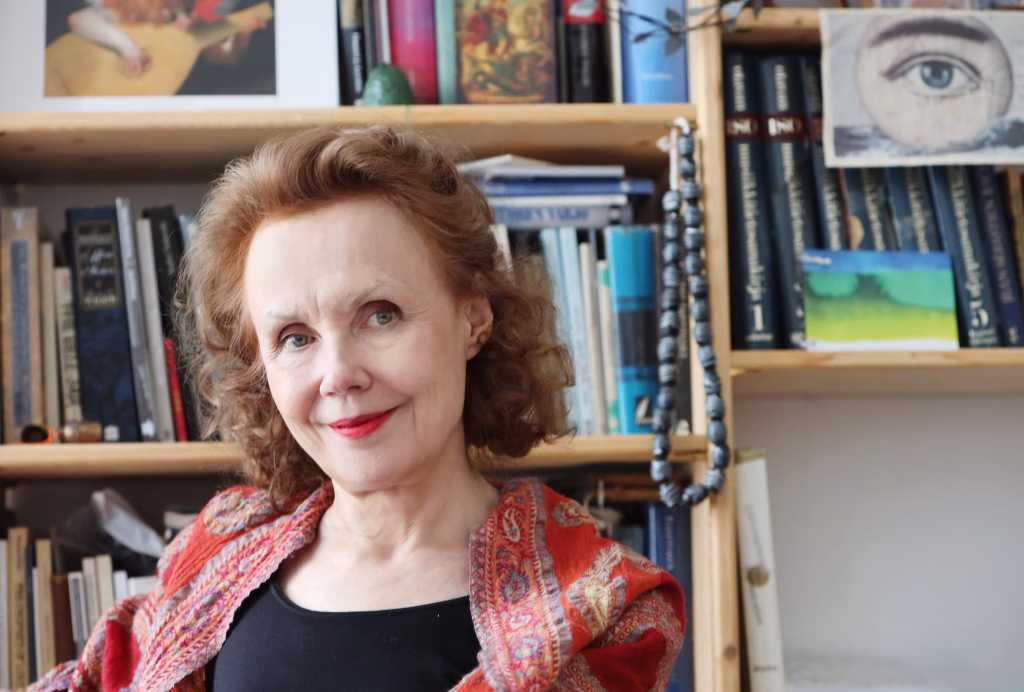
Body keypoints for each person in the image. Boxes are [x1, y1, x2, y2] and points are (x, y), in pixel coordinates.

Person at [20, 125, 685, 691]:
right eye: (294, 338)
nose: (337, 375)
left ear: (473, 318)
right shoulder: (217, 550)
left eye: (380, 314)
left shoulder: (602, 605)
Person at [66, 0, 267, 77]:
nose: (184, 21)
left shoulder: (193, 27)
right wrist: (126, 46)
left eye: (187, 13)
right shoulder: (136, 10)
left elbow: (226, 57)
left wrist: (243, 35)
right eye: (172, 17)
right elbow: (79, 19)